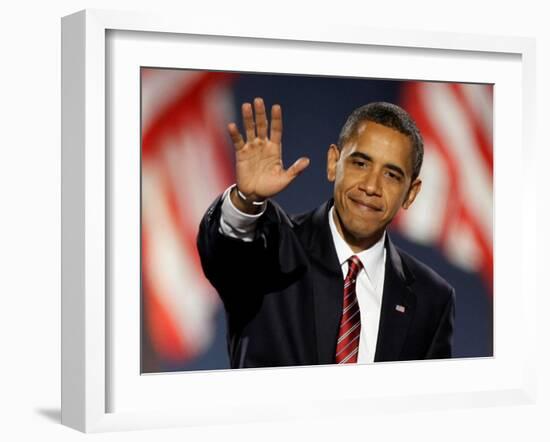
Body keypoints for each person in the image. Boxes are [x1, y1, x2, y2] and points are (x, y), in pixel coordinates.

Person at [197, 97, 455, 368]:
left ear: (411, 194)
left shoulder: (433, 299)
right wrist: (246, 201)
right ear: (334, 162)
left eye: (391, 175)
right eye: (360, 164)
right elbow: (224, 252)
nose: (371, 186)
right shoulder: (270, 248)